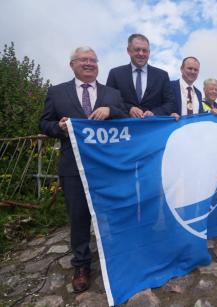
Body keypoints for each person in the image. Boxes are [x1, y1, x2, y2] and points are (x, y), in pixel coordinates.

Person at [39, 47, 127, 293]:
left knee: (112, 214)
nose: (89, 63)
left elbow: (124, 119)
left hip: (107, 167)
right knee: (78, 217)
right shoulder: (56, 92)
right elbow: (44, 123)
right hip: (73, 167)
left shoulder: (112, 93)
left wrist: (112, 111)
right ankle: (81, 265)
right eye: (84, 60)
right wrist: (59, 126)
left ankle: (116, 256)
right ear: (72, 64)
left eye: (93, 60)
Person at [106, 33, 175, 117]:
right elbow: (109, 102)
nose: (141, 53)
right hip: (125, 128)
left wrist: (154, 113)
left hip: (153, 127)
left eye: (144, 50)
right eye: (137, 49)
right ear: (128, 51)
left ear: (149, 53)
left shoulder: (162, 75)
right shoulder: (115, 74)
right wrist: (129, 109)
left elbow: (170, 103)